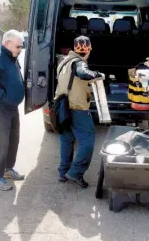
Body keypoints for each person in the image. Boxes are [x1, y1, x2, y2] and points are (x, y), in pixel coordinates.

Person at [55, 35, 104, 188]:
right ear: (88, 50)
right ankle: (75, 172)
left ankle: (63, 173)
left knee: (66, 139)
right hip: (77, 108)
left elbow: (74, 80)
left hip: (61, 106)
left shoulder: (64, 62)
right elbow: (83, 73)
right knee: (87, 141)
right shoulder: (79, 63)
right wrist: (98, 75)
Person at [0, 30, 25, 191]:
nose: (21, 49)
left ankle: (8, 169)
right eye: (18, 46)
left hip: (11, 106)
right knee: (2, 142)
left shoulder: (11, 57)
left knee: (14, 138)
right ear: (8, 44)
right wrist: (3, 96)